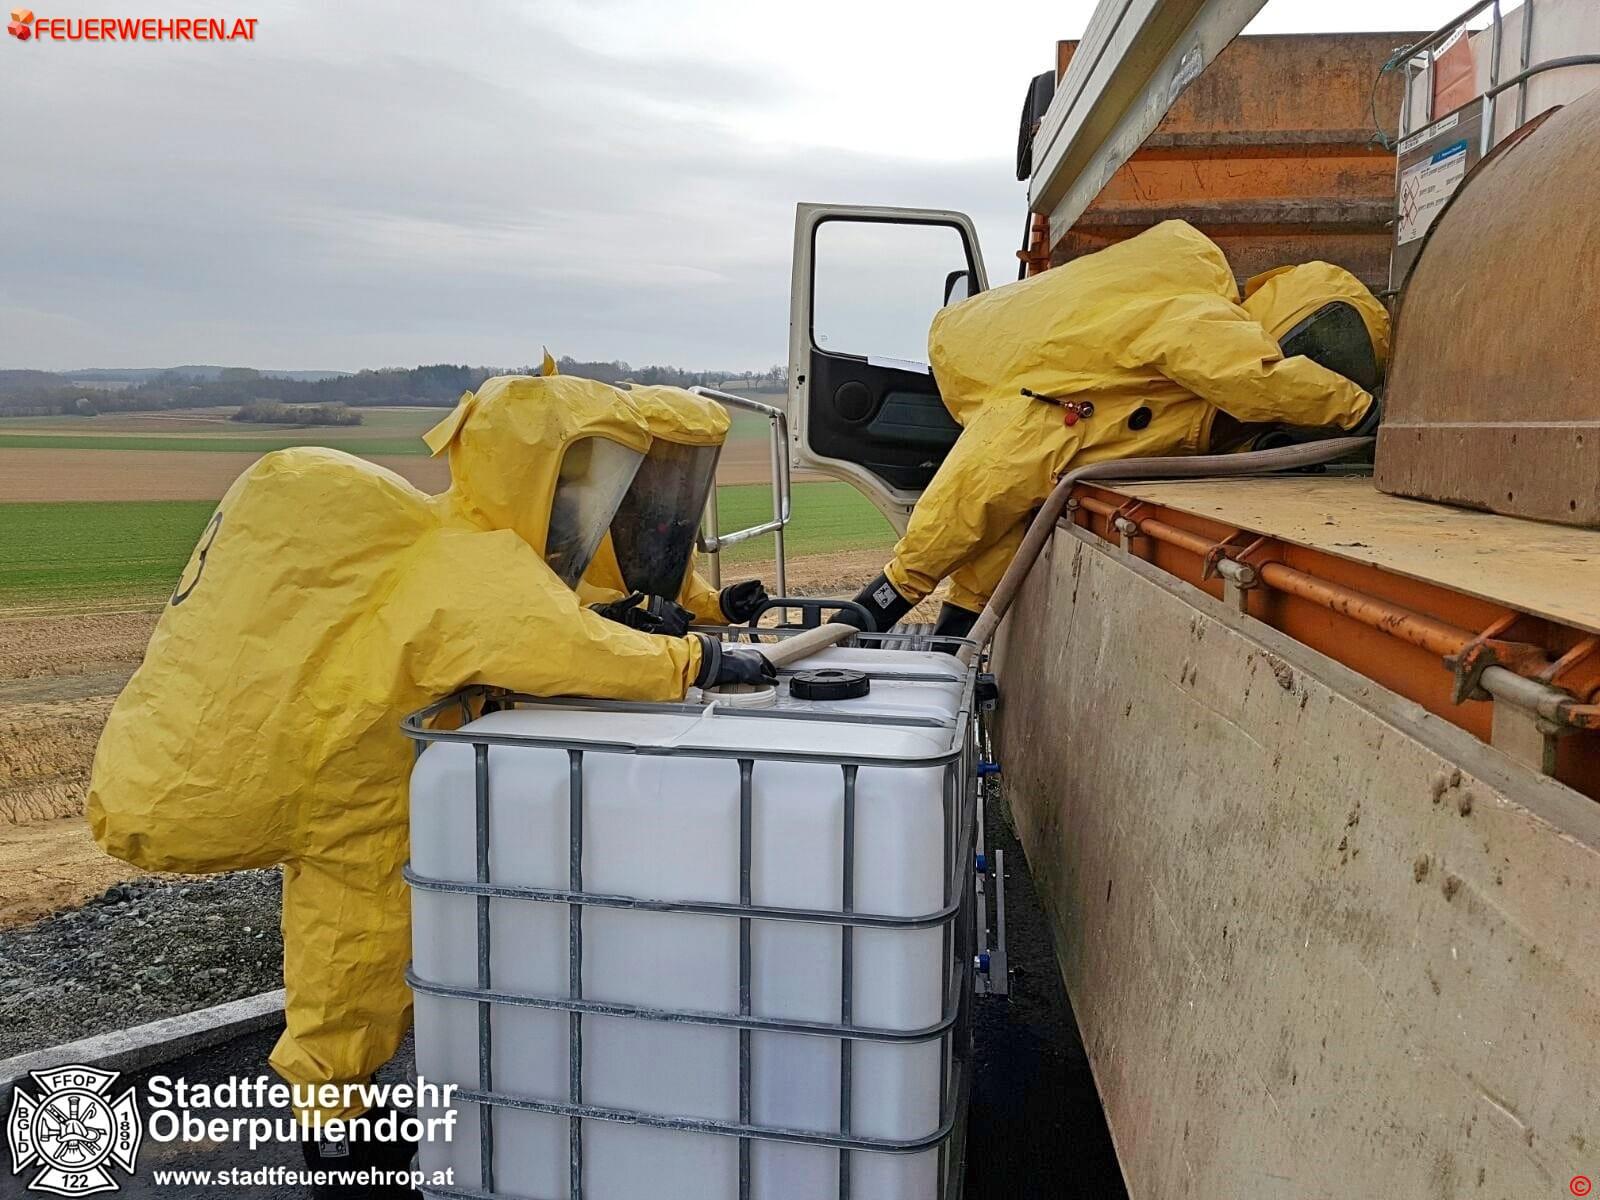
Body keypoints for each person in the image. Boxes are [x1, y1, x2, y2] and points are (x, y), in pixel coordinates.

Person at [87, 373, 773, 1197]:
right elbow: (574, 645)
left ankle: (343, 1126)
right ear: (537, 471)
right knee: (357, 956)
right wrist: (695, 659)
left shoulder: (468, 546)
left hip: (363, 770)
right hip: (362, 786)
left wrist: (702, 607)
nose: (598, 499)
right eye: (587, 475)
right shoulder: (470, 571)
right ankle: (341, 1137)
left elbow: (589, 593)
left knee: (350, 957)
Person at [836, 220, 1390, 642]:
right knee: (994, 492)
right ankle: (881, 626)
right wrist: (1356, 411)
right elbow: (1250, 375)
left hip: (1054, 416)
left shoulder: (1184, 358)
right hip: (1043, 420)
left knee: (1004, 508)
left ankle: (946, 647)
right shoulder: (1201, 318)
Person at [578, 383, 769, 635]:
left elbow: (681, 602)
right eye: (664, 467)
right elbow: (557, 604)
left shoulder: (666, 529)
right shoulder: (579, 525)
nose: (678, 480)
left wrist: (722, 605)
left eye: (682, 469)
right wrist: (616, 613)